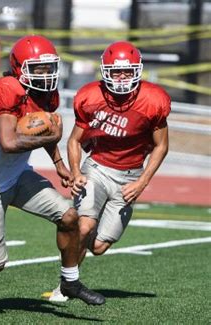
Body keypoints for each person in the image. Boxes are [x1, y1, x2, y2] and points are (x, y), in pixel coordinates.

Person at [0, 35, 105, 310]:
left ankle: (70, 280)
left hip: (19, 176)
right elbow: (9, 143)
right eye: (38, 68)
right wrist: (52, 135)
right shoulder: (7, 89)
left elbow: (44, 131)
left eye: (49, 68)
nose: (46, 75)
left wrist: (58, 162)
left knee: (69, 217)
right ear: (19, 68)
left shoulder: (46, 94)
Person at [58, 40, 169, 300]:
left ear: (137, 71)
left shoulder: (153, 100)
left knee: (98, 245)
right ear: (105, 71)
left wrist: (142, 183)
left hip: (129, 176)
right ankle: (66, 284)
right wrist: (76, 172)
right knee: (83, 227)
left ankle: (78, 251)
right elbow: (74, 140)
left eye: (127, 71)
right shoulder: (91, 96)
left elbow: (161, 146)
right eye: (116, 71)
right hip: (96, 167)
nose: (121, 77)